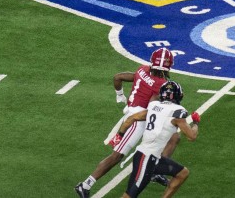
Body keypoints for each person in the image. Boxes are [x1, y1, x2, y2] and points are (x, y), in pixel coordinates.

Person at [74, 49, 176, 198]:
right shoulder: (161, 84)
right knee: (117, 156)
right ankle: (85, 185)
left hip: (133, 112)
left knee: (171, 137)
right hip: (137, 120)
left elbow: (118, 77)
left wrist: (120, 95)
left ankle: (155, 171)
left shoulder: (142, 69)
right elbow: (152, 109)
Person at [118, 81, 201, 198]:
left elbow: (132, 118)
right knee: (129, 196)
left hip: (152, 157)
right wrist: (196, 122)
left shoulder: (153, 106)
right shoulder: (177, 112)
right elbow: (191, 136)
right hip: (146, 158)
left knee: (182, 173)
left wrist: (119, 135)